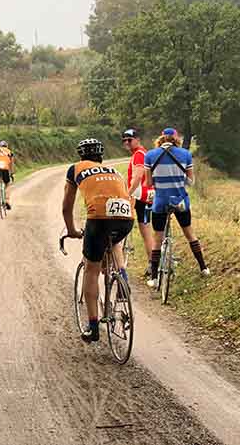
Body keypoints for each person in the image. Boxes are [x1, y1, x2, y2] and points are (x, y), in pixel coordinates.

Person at [62, 138, 134, 343]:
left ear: (81, 155)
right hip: (126, 217)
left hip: (99, 220)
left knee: (91, 270)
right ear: (101, 156)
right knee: (115, 243)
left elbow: (67, 206)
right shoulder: (113, 171)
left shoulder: (75, 169)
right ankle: (122, 281)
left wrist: (72, 230)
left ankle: (93, 327)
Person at [144, 127, 210, 287]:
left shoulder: (150, 155)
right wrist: (179, 182)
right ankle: (203, 268)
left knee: (157, 240)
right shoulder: (185, 155)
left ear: (161, 138)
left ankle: (153, 278)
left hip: (160, 202)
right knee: (190, 234)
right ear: (176, 138)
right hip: (180, 201)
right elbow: (191, 182)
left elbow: (149, 183)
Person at [122, 128, 156, 277]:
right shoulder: (143, 153)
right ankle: (152, 263)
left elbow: (137, 177)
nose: (127, 143)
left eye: (129, 140)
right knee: (146, 230)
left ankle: (152, 264)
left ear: (137, 139)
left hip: (141, 198)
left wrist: (127, 194)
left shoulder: (138, 155)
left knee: (146, 231)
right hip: (146, 196)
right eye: (124, 140)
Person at [0, 140, 15, 210]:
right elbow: (11, 164)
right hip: (4, 168)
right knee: (7, 183)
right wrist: (11, 173)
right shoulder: (9, 152)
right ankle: (7, 200)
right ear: (6, 146)